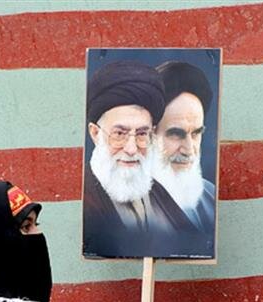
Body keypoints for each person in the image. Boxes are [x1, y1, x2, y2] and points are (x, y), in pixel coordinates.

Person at [83, 61, 197, 258]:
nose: (131, 148)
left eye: (142, 134)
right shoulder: (86, 200)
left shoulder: (158, 193)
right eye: (119, 133)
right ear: (95, 133)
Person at [153, 61, 216, 237]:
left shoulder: (211, 198)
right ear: (149, 135)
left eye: (196, 133)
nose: (189, 150)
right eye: (176, 134)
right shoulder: (122, 207)